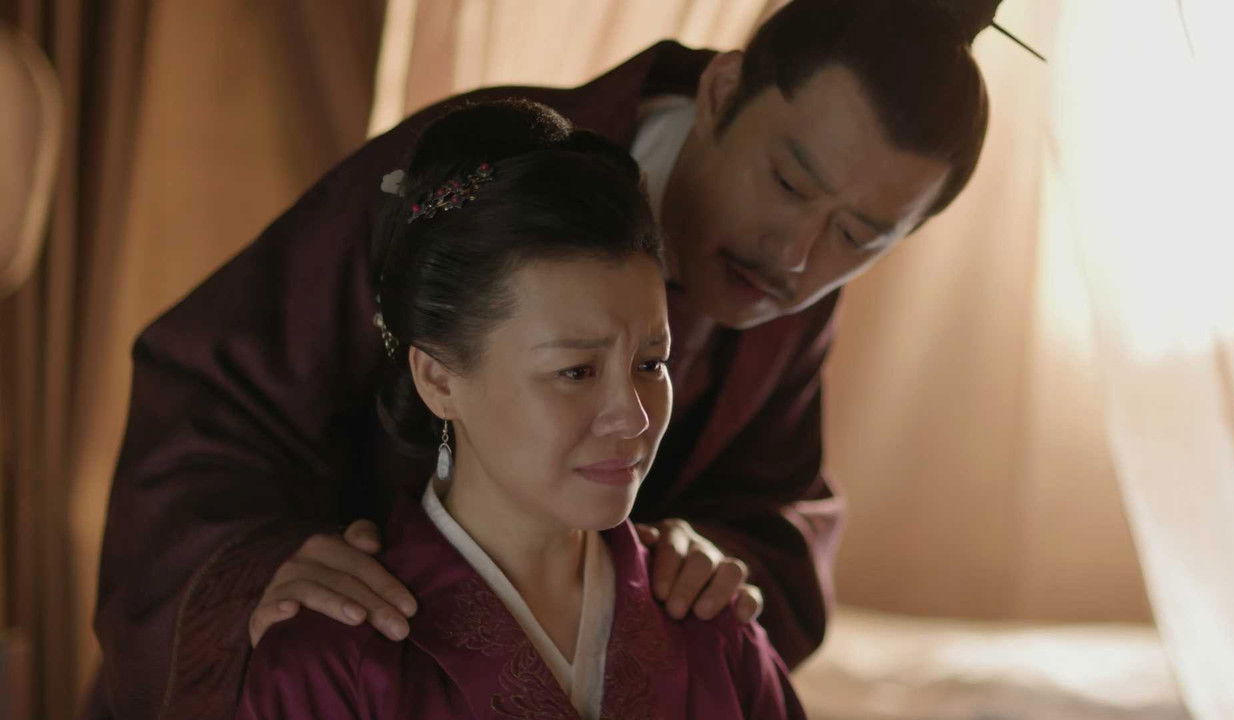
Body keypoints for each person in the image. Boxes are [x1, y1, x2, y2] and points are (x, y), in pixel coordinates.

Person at [91, 1, 993, 718]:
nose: (797, 256)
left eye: (859, 236)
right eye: (789, 182)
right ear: (722, 93)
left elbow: (776, 504)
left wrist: (705, 565)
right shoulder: (474, 188)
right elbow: (211, 395)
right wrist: (264, 572)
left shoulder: (785, 286)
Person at [233, 99, 805, 720]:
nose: (634, 417)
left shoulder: (717, 629)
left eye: (650, 364)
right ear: (438, 380)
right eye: (575, 371)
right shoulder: (331, 658)